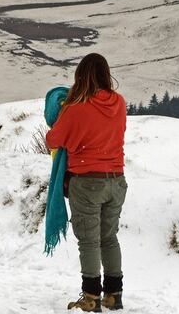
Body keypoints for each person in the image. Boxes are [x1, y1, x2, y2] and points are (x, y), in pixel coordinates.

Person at [45, 53, 127, 312]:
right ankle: (114, 294)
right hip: (116, 180)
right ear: (105, 74)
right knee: (109, 238)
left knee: (89, 241)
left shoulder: (76, 108)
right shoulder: (119, 102)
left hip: (87, 181)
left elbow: (53, 140)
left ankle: (91, 296)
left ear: (80, 76)